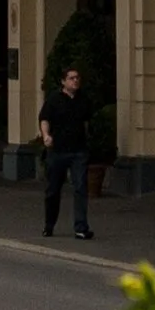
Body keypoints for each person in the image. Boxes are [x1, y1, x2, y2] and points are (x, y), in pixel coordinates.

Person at [40, 62, 93, 239]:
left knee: (80, 187)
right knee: (53, 190)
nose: (75, 81)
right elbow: (45, 118)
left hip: (78, 150)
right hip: (58, 150)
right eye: (71, 78)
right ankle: (49, 224)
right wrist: (46, 135)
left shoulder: (83, 99)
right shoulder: (54, 99)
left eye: (77, 78)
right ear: (63, 82)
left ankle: (81, 227)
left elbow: (86, 122)